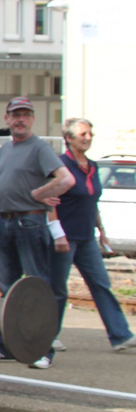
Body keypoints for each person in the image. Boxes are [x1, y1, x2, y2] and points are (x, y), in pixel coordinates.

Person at [0, 97, 74, 368]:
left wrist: (40, 194)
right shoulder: (6, 150)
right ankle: (5, 346)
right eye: (15, 114)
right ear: (7, 119)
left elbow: (66, 179)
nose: (20, 119)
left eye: (25, 115)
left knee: (35, 289)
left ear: (32, 119)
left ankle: (43, 350)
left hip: (30, 224)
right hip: (6, 226)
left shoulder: (40, 148)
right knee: (7, 289)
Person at [48, 117, 136, 352]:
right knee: (57, 288)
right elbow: (50, 203)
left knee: (101, 284)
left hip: (86, 237)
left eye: (90, 134)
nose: (88, 138)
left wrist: (102, 231)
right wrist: (58, 233)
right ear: (68, 138)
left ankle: (120, 335)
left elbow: (91, 201)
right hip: (64, 237)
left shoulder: (93, 166)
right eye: (83, 134)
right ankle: (48, 335)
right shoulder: (60, 165)